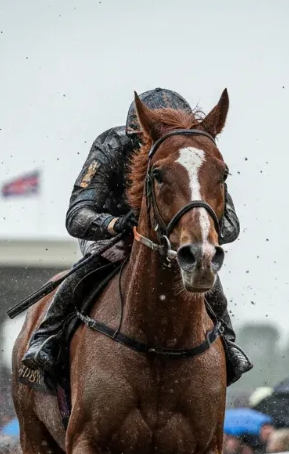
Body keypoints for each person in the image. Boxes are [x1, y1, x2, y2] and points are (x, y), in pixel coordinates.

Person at [21, 88, 252, 384]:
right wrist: (114, 224)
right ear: (140, 133)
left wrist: (200, 229)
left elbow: (230, 224)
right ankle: (46, 337)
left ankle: (228, 343)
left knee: (207, 272)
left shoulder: (193, 155)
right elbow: (76, 215)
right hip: (111, 236)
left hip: (167, 238)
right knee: (93, 265)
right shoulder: (111, 144)